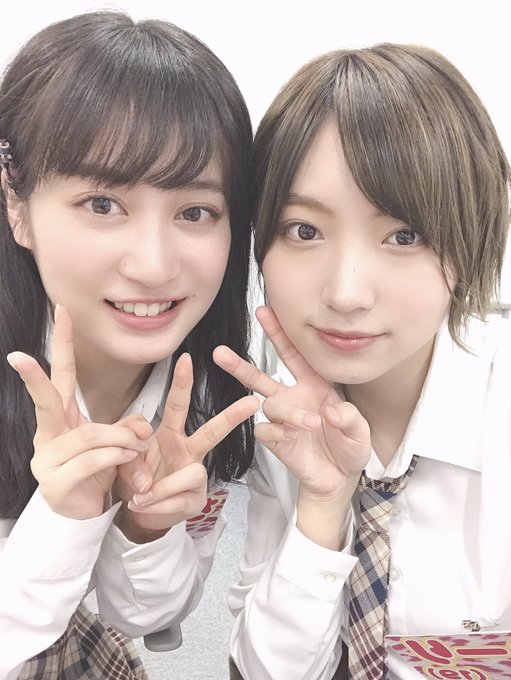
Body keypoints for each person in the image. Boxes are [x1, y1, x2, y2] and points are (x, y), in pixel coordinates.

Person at [213, 44, 511, 679]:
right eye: (304, 230)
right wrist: (321, 511)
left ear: (473, 237)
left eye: (404, 236)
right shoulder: (285, 411)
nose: (346, 294)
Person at [0, 10, 258, 680]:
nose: (152, 265)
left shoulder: (205, 395)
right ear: (17, 206)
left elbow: (147, 615)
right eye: (102, 204)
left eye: (195, 212)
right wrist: (62, 517)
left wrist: (146, 528)